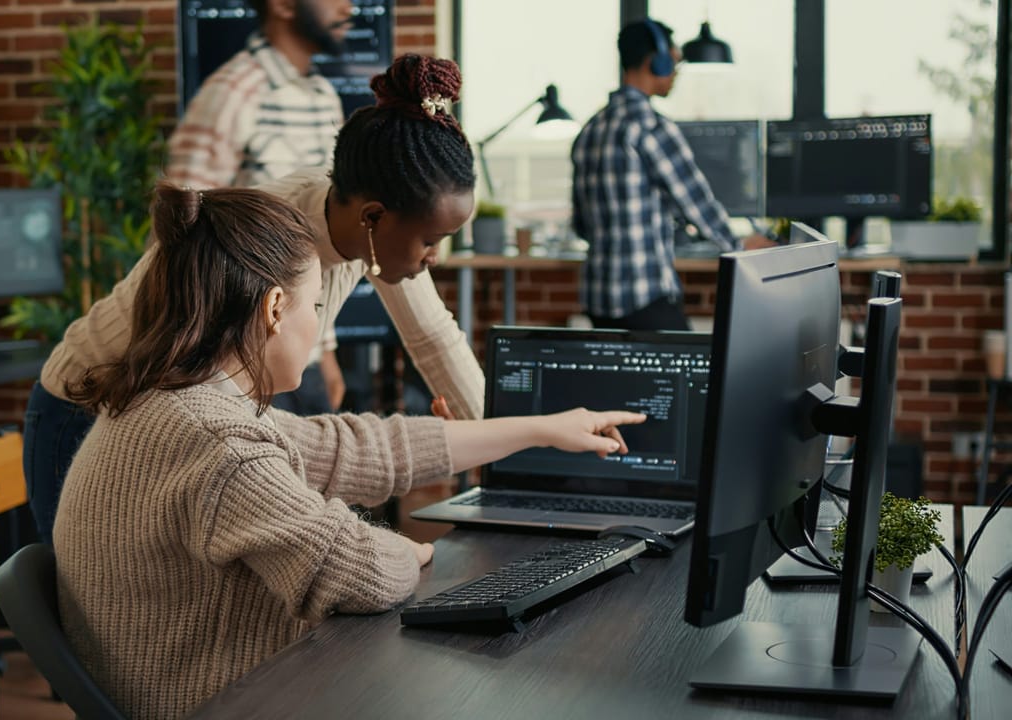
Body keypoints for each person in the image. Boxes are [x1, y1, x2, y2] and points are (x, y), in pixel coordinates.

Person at [54, 183, 647, 719]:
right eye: (315, 306)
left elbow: (360, 448)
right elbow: (359, 573)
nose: (318, 324)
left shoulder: (169, 403)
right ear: (274, 309)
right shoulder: (218, 444)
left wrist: (542, 427)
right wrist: (405, 549)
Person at [24, 54, 489, 544]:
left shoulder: (366, 224)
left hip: (160, 407)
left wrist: (499, 445)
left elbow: (433, 337)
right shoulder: (268, 240)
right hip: (85, 406)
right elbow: (203, 387)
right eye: (431, 240)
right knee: (90, 583)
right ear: (373, 218)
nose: (436, 257)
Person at [166, 0, 355, 412]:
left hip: (302, 354)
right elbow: (179, 231)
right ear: (283, 5)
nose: (349, 5)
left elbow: (319, 245)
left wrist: (325, 353)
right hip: (239, 364)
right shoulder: (234, 90)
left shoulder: (323, 97)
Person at [571, 18, 772, 332]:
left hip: (598, 298)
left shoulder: (590, 130)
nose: (676, 73)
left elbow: (581, 224)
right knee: (693, 364)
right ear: (656, 62)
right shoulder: (651, 126)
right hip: (643, 294)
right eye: (675, 62)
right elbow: (695, 201)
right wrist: (737, 243)